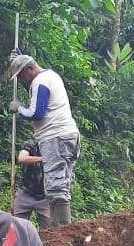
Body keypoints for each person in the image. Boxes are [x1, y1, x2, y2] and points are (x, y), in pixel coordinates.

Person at [6, 52, 81, 226]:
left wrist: (18, 109)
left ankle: (62, 230)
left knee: (55, 186)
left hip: (55, 137)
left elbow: (36, 112)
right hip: (69, 135)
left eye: (23, 75)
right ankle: (61, 229)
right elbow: (36, 98)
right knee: (62, 182)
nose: (24, 80)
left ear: (30, 69)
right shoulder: (50, 76)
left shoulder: (40, 81)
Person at [12, 139, 52, 224]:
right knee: (16, 225)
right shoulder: (31, 144)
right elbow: (22, 158)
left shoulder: (54, 146)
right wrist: (43, 159)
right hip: (26, 191)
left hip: (46, 195)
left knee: (50, 229)